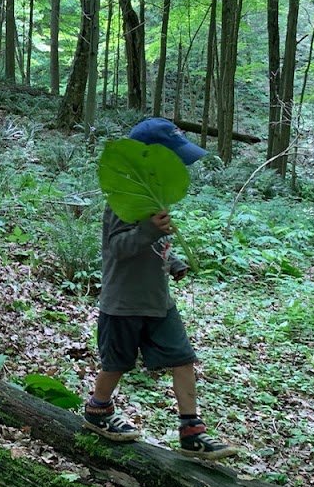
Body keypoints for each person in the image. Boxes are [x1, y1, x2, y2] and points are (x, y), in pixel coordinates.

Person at [83, 117, 237, 460]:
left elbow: (155, 245)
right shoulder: (123, 203)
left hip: (158, 302)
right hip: (123, 303)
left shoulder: (155, 203)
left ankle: (191, 431)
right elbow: (118, 248)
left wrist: (173, 261)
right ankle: (97, 410)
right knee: (116, 363)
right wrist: (149, 230)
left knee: (183, 359)